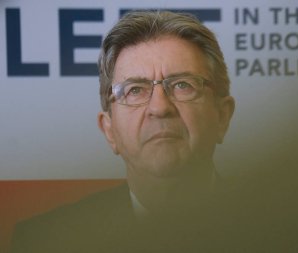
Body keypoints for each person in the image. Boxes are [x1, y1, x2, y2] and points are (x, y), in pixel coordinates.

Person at [11, 10, 235, 253]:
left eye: (183, 85)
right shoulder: (43, 243)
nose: (159, 108)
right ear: (109, 130)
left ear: (222, 117)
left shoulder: (279, 230)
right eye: (135, 90)